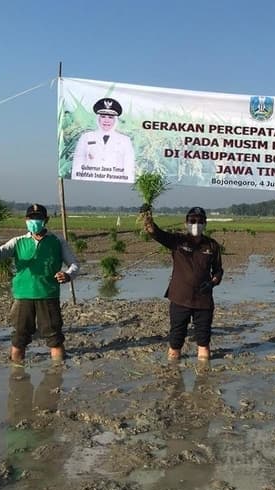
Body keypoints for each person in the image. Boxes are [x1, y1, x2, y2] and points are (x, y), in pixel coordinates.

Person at [0, 204, 79, 363]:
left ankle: (57, 374)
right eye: (31, 218)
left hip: (48, 295)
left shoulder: (57, 242)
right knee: (19, 338)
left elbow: (74, 265)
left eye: (38, 218)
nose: (34, 221)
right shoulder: (18, 242)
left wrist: (67, 275)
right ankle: (17, 374)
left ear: (46, 220)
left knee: (55, 339)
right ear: (26, 220)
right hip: (23, 296)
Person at [142, 206, 224, 360]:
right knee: (175, 344)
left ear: (205, 224)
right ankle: (174, 378)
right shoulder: (178, 241)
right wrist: (148, 218)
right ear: (186, 222)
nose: (196, 224)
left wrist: (212, 283)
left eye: (200, 221)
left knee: (204, 346)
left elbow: (218, 271)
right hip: (180, 298)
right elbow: (156, 233)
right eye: (192, 221)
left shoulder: (212, 246)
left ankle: (203, 380)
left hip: (203, 301)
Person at [71, 97, 137, 183]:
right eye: (103, 116)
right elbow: (78, 164)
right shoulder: (86, 137)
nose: (106, 120)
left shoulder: (125, 140)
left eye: (110, 117)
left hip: (114, 186)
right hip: (88, 184)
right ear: (98, 118)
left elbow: (129, 168)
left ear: (115, 120)